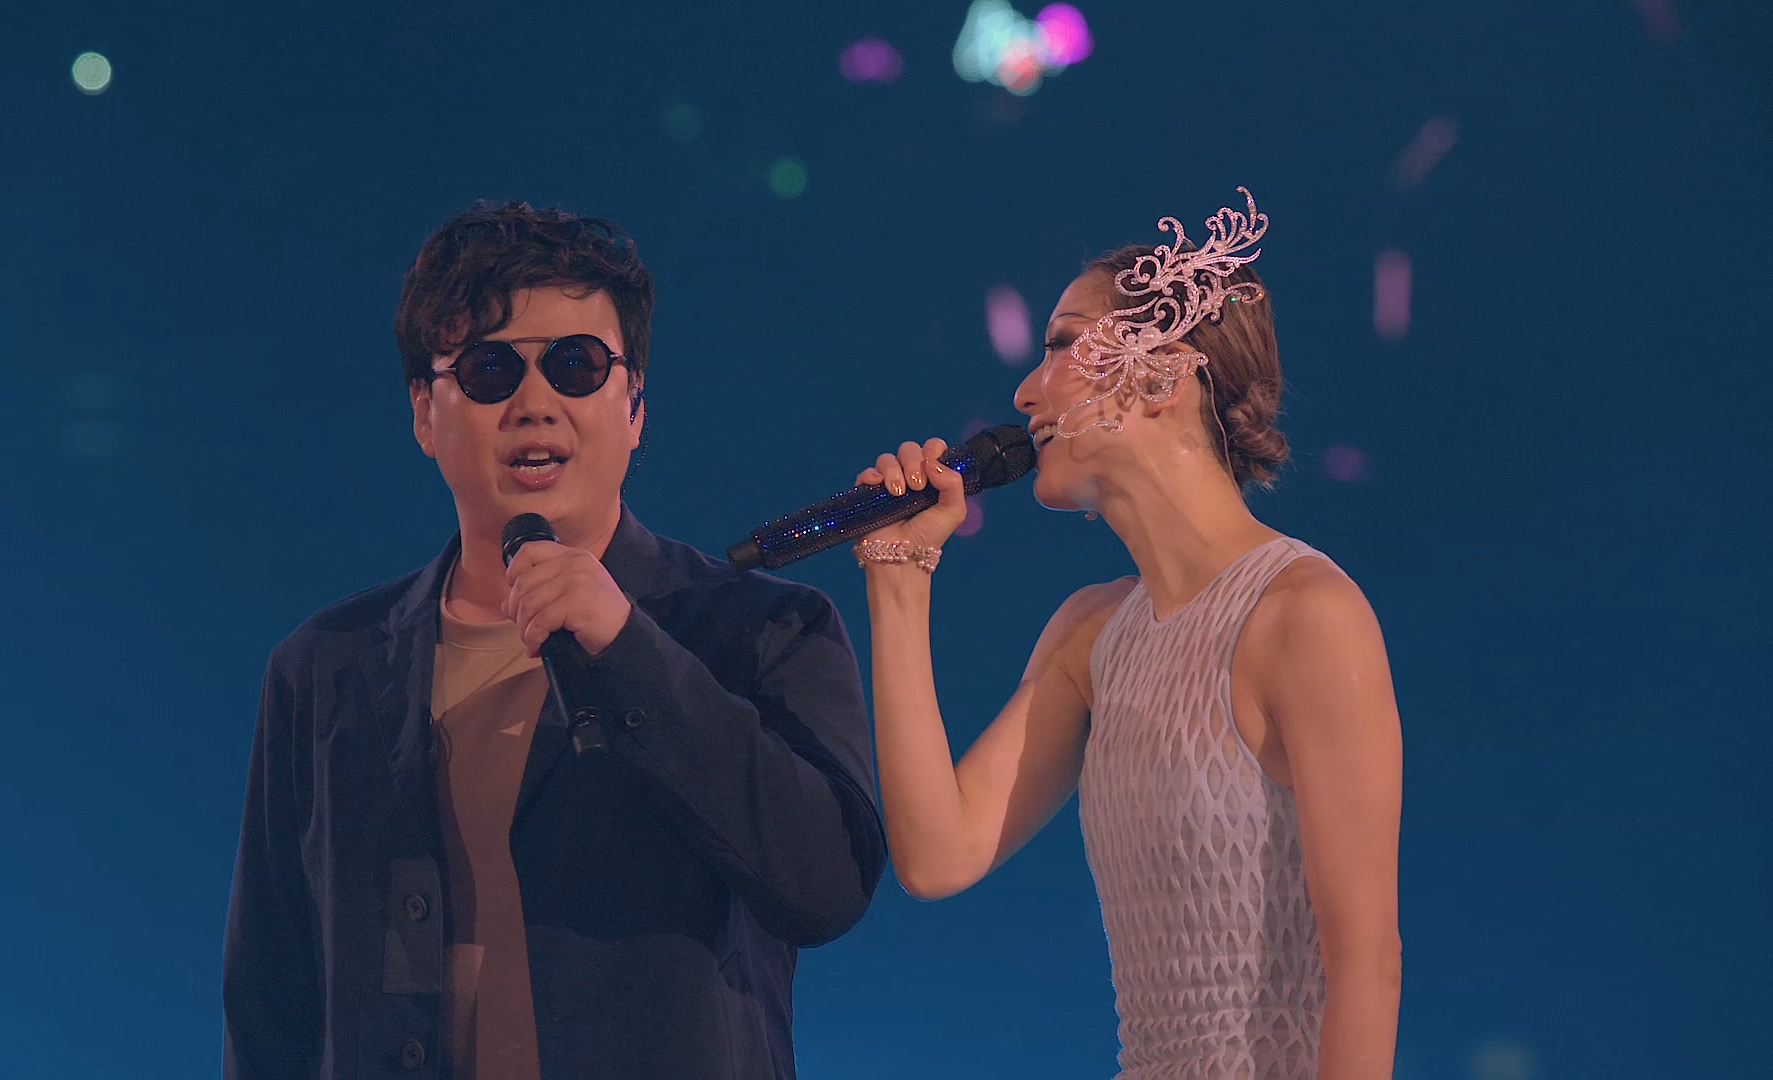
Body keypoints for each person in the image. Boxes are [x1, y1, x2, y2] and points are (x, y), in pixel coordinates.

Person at [222, 201, 886, 1080]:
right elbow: (270, 1002)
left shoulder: (761, 629)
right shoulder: (323, 668)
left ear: (636, 406)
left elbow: (825, 887)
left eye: (576, 366)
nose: (535, 405)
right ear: (424, 413)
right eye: (490, 370)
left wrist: (627, 645)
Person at [851, 190, 1402, 1078]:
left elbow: (1368, 960)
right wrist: (898, 577)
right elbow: (937, 854)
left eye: (1062, 345)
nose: (1025, 392)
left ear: (1161, 375)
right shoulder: (1091, 636)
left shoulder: (1305, 615)